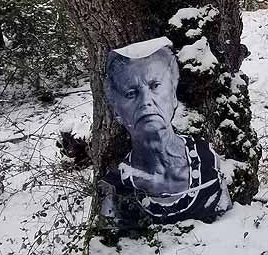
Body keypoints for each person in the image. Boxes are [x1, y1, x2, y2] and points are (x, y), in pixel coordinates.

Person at [98, 42, 230, 230]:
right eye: (131, 93)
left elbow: (229, 225)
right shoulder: (119, 185)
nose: (146, 102)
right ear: (116, 110)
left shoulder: (206, 159)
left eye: (155, 86)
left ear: (173, 96)